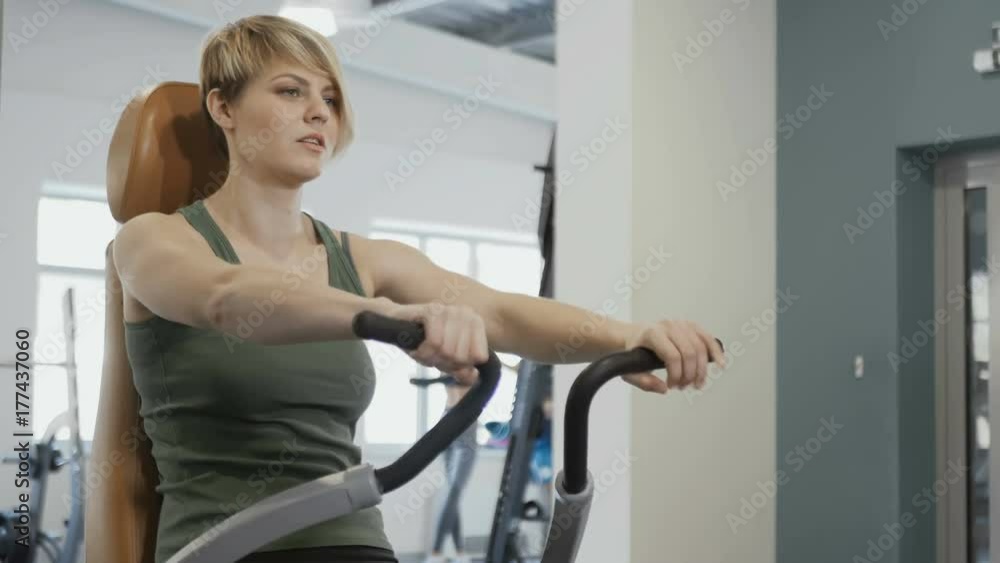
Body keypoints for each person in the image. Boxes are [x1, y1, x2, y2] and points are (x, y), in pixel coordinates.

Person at [112, 14, 726, 563]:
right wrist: (387, 316)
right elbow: (225, 297)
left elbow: (501, 313)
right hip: (224, 548)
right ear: (223, 108)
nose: (320, 112)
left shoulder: (362, 258)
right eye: (291, 91)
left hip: (356, 545)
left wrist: (629, 335)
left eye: (330, 97)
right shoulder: (151, 241)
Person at [425, 382, 478, 563]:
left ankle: (457, 552)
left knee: (452, 495)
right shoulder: (463, 368)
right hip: (455, 420)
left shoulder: (462, 369)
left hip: (456, 421)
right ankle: (438, 552)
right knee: (452, 493)